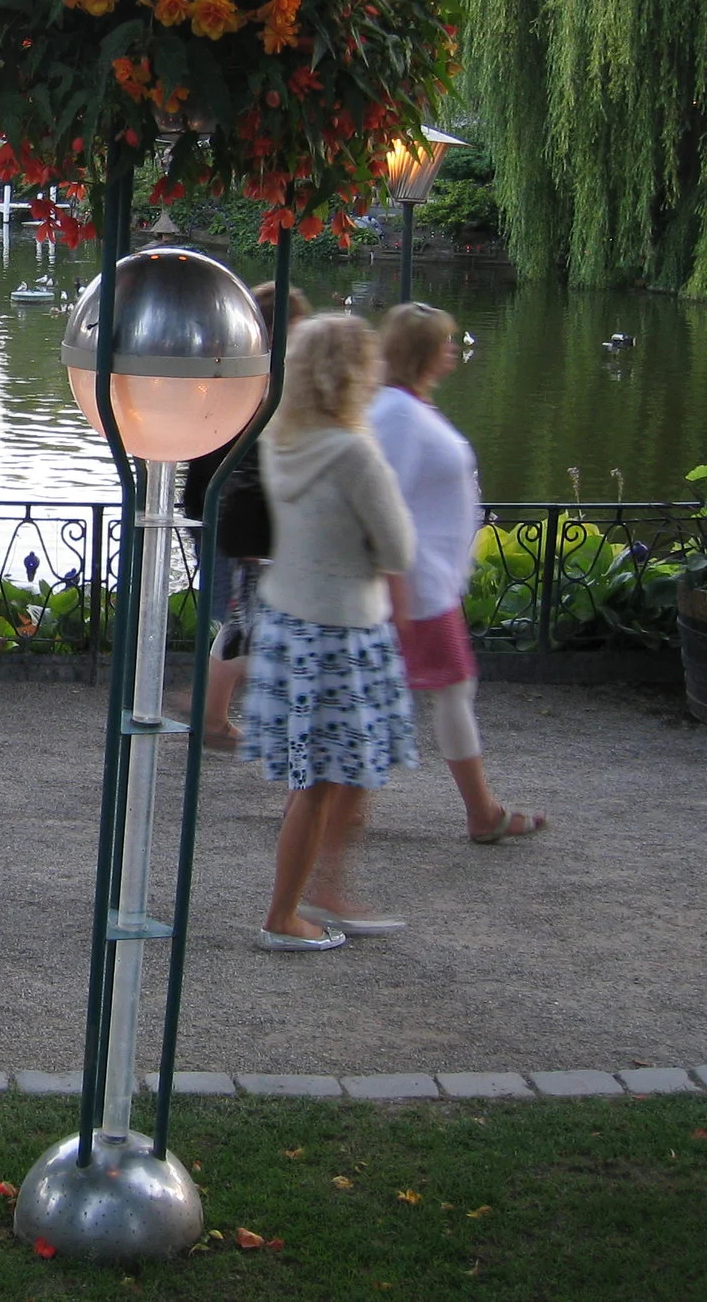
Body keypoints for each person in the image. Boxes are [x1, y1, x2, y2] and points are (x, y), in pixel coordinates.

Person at [240, 313, 417, 952]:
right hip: (342, 629)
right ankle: (284, 916)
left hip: (288, 623)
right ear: (354, 373)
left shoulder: (277, 441)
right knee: (320, 783)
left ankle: (316, 893)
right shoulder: (354, 453)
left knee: (317, 779)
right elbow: (397, 548)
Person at [371, 303, 547, 845]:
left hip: (430, 580)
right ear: (423, 352)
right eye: (444, 341)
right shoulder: (397, 414)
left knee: (393, 691)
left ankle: (322, 804)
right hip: (416, 584)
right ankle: (482, 812)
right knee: (447, 687)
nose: (453, 349)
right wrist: (395, 589)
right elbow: (384, 501)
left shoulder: (409, 408)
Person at [180, 283, 314, 751]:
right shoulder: (262, 383)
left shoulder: (233, 373)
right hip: (239, 522)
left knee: (242, 621)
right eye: (297, 327)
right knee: (252, 623)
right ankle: (223, 713)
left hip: (225, 514)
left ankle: (212, 712)